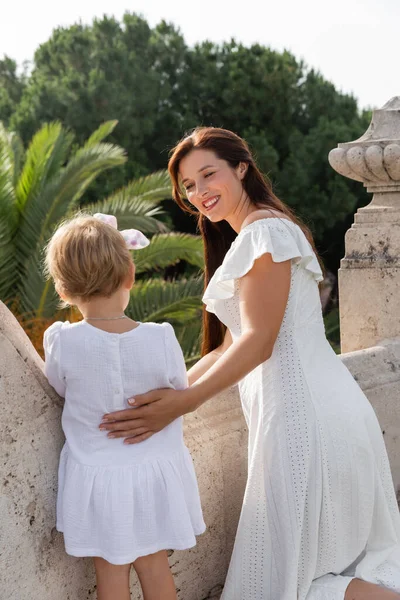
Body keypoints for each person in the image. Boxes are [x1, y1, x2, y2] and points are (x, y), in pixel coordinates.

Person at [100, 127, 400, 600]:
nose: (200, 193)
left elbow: (259, 343)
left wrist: (180, 405)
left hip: (304, 420)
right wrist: (166, 392)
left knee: (290, 583)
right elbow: (227, 346)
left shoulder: (264, 232)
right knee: (307, 576)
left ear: (241, 168)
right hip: (319, 411)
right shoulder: (260, 232)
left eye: (208, 174)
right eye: (189, 186)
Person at [43, 213, 205, 600]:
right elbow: (179, 387)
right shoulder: (161, 338)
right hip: (152, 473)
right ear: (130, 275)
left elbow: (58, 386)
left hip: (97, 478)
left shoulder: (62, 341)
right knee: (154, 563)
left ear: (63, 291)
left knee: (110, 573)